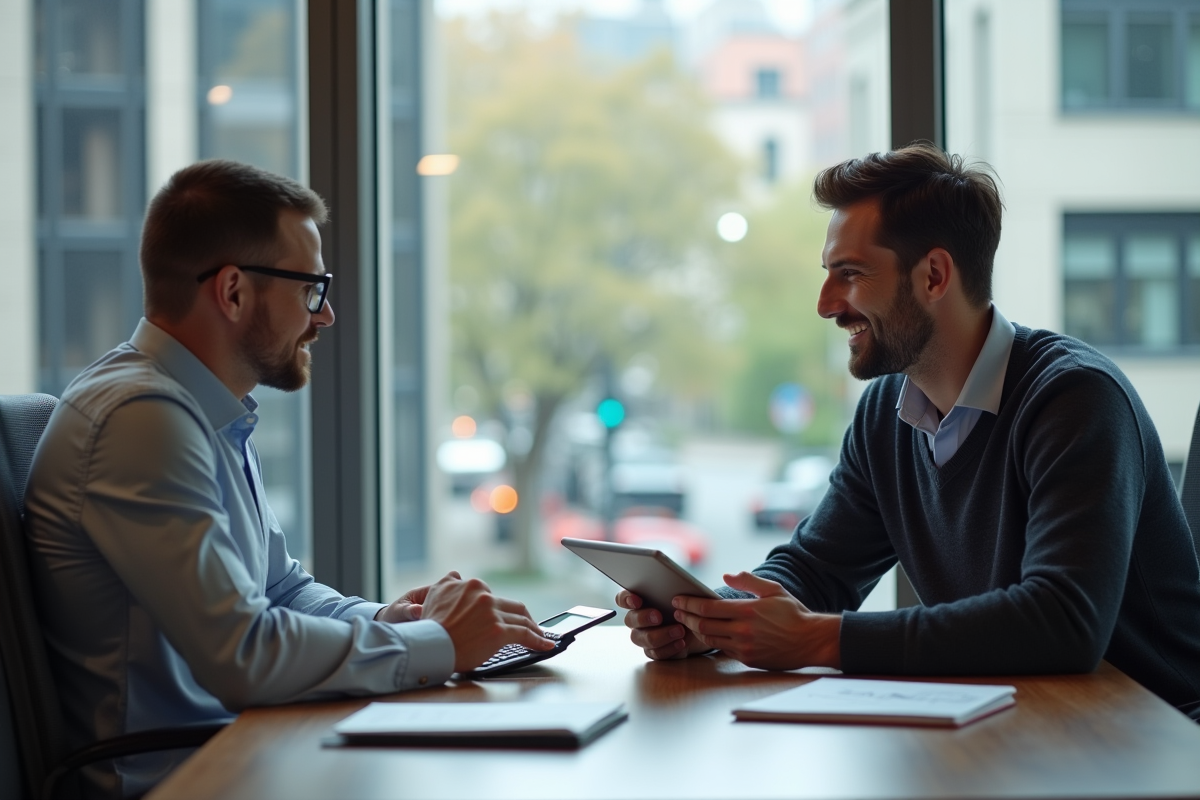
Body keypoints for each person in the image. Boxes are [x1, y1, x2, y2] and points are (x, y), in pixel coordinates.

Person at [24, 159, 554, 798]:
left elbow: (280, 589)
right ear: (232, 292)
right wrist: (436, 642)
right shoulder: (140, 420)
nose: (324, 316)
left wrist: (394, 620)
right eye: (311, 289)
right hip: (179, 779)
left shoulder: (200, 410)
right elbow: (242, 654)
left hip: (244, 751)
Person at [618, 143, 1200, 718]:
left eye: (850, 274)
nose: (826, 305)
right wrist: (708, 618)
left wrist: (820, 639)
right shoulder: (886, 413)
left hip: (1153, 733)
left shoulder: (1075, 399)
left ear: (934, 276)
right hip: (1020, 723)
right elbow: (817, 569)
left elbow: (1064, 621)